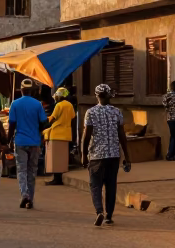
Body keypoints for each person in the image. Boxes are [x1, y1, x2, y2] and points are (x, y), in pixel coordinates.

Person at [82, 84, 131, 226]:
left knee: (95, 185)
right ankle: (109, 215)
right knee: (111, 185)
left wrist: (84, 154)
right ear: (109, 96)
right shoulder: (117, 112)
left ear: (97, 96)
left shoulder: (90, 112)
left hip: (96, 156)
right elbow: (122, 135)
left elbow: (87, 135)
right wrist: (127, 157)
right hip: (113, 155)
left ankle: (99, 212)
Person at [7, 79, 49, 209]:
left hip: (20, 141)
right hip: (34, 142)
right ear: (32, 91)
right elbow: (45, 122)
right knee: (32, 171)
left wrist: (8, 141)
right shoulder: (38, 104)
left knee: (21, 170)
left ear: (21, 90)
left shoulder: (15, 104)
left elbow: (12, 124)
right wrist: (37, 131)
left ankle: (24, 194)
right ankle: (30, 198)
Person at [44, 87, 75, 186]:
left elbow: (52, 118)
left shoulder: (59, 105)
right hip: (66, 134)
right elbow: (72, 117)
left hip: (56, 134)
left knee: (55, 159)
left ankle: (56, 179)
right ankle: (59, 178)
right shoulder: (70, 105)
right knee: (61, 159)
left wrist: (45, 121)